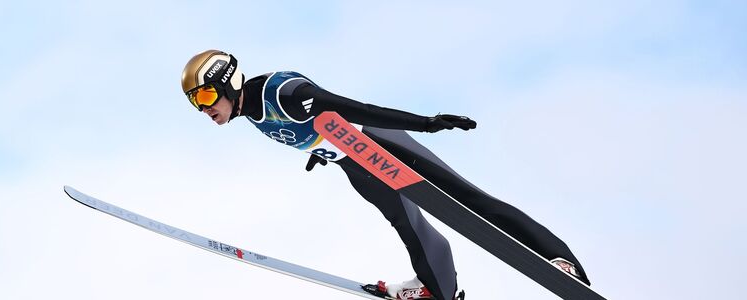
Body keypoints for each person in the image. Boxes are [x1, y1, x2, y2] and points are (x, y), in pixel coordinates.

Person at [180, 50, 590, 300]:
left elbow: (356, 109)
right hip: (353, 164)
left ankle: (560, 259)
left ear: (227, 83)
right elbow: (311, 133)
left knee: (469, 200)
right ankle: (438, 289)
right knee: (408, 225)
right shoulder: (251, 112)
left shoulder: (284, 94)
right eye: (195, 102)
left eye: (205, 95)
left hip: (379, 142)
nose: (204, 109)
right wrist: (319, 154)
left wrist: (426, 123)